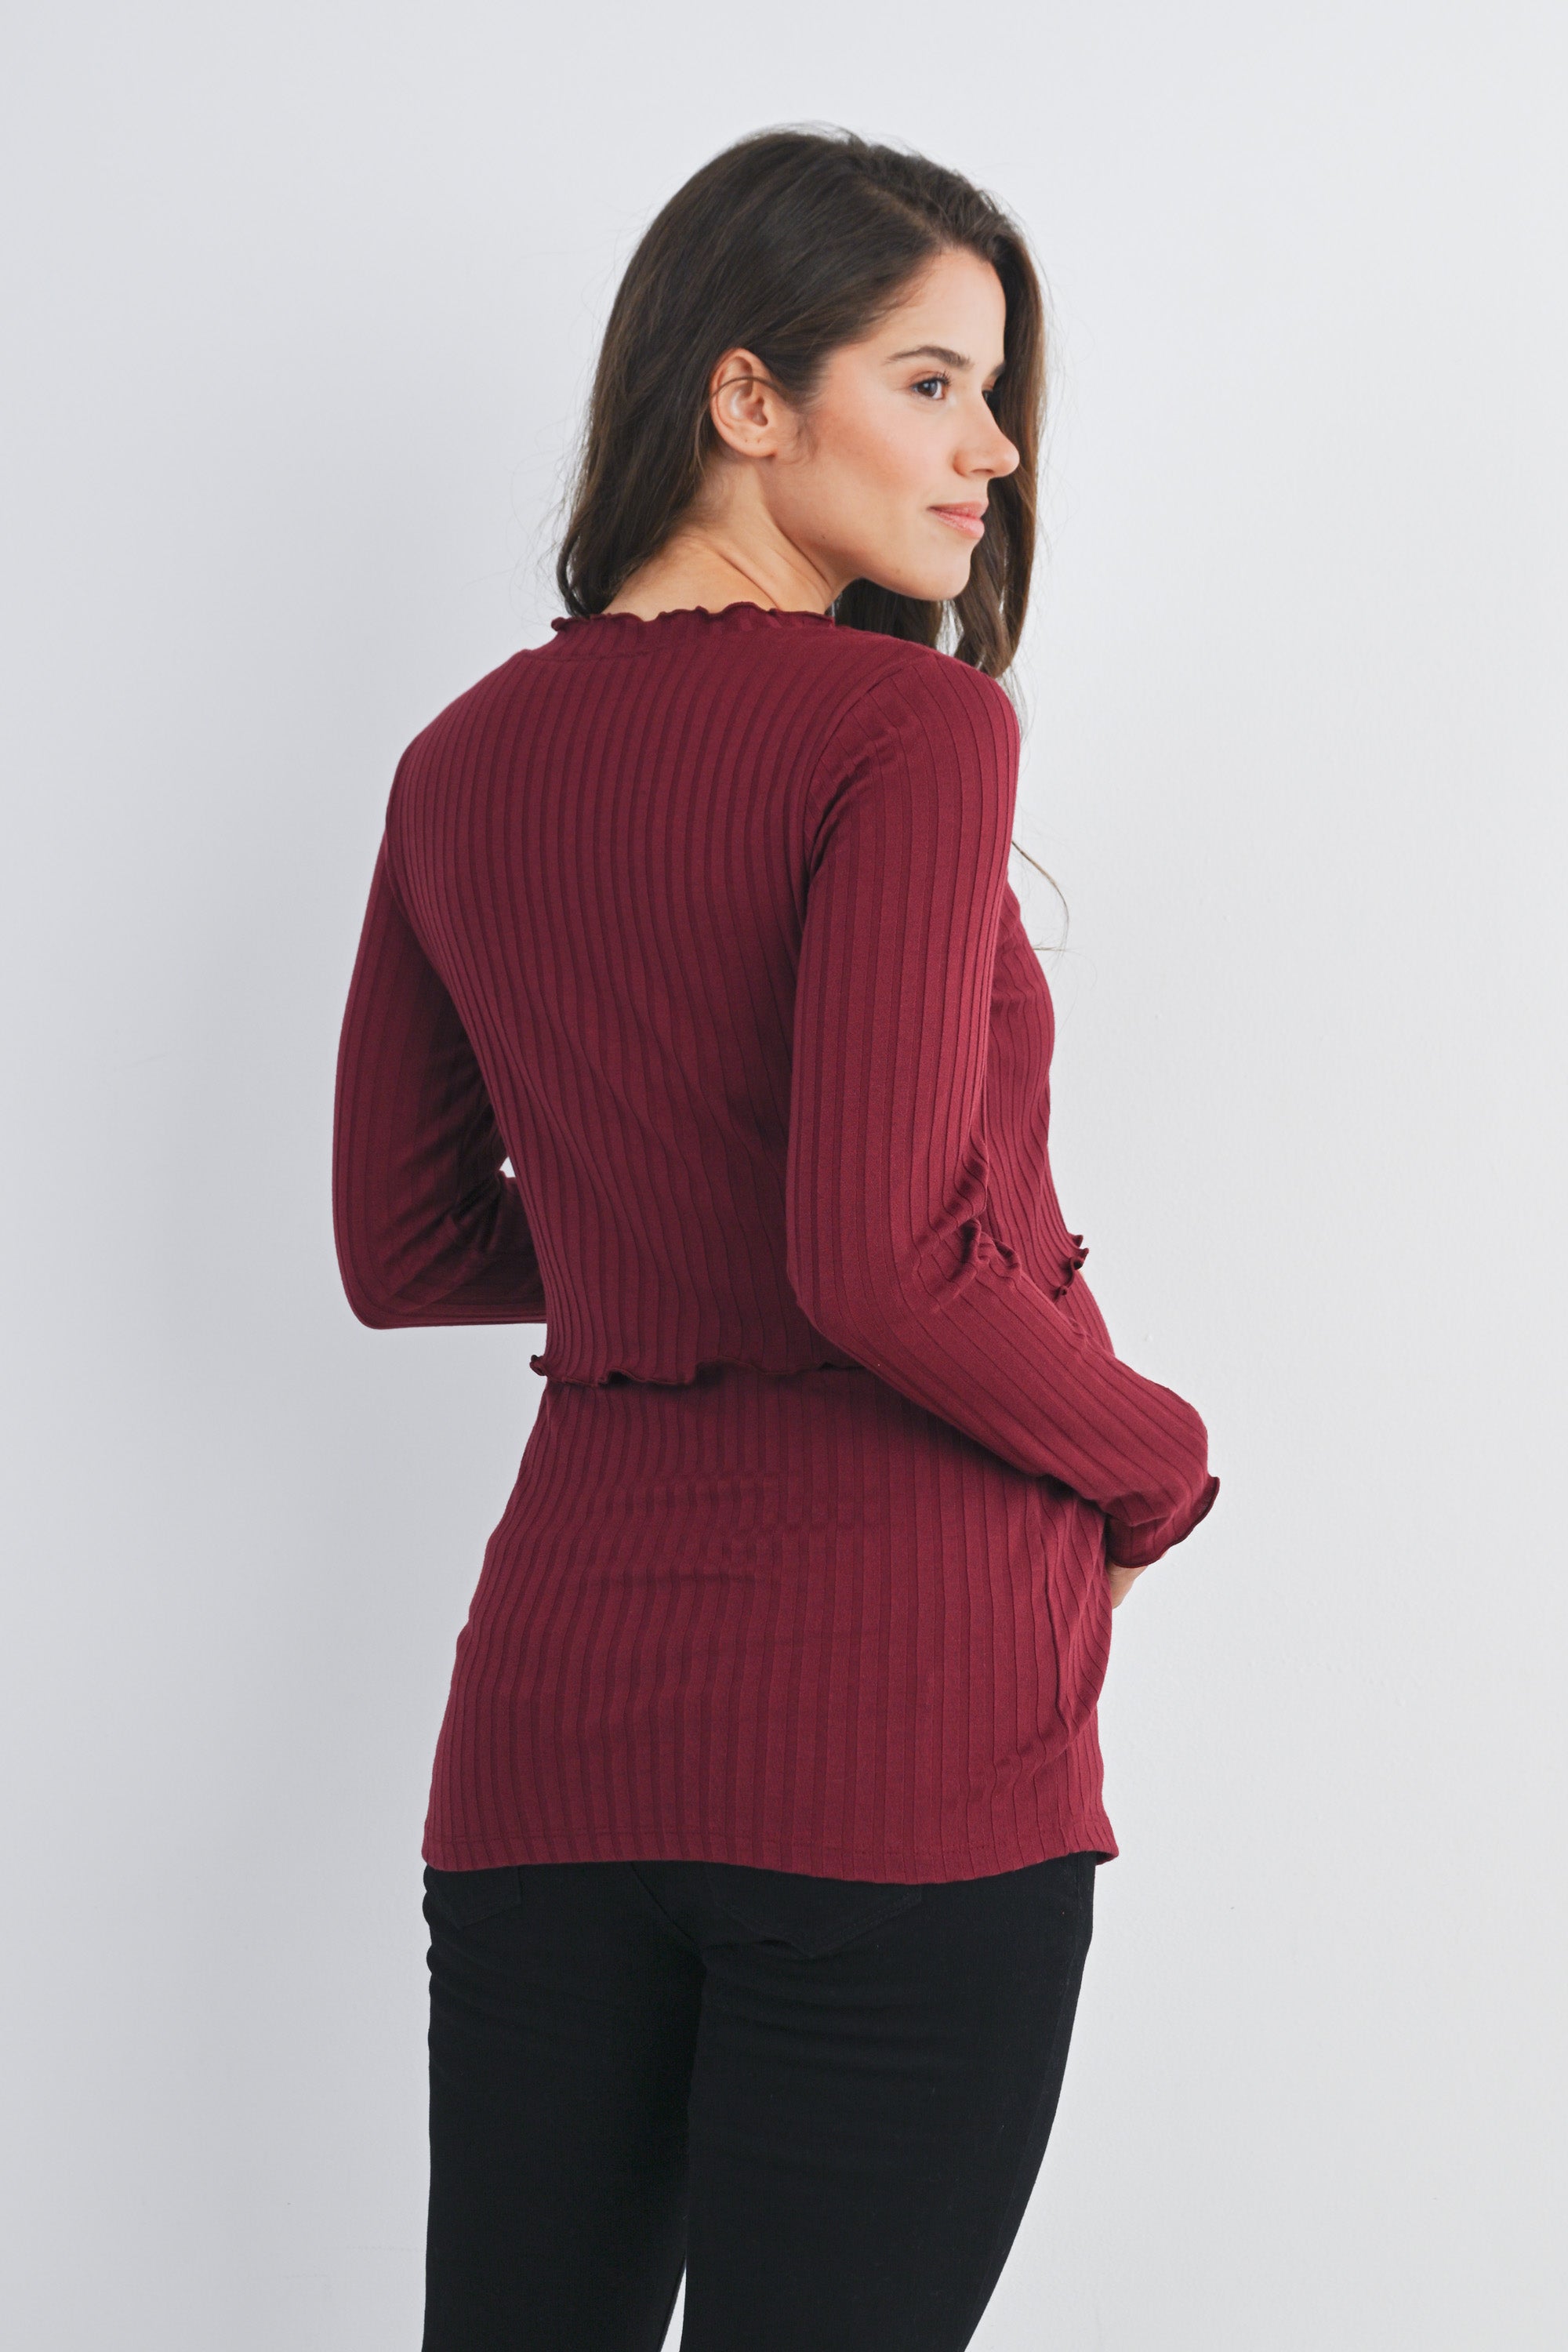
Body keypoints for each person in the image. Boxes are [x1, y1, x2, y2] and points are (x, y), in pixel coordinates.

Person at [332, 125, 1218, 2352]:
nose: (993, 450)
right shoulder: (905, 726)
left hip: (551, 1734)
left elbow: (405, 1243)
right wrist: (1152, 1454)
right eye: (931, 384)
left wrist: (664, 1241)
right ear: (745, 395)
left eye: (996, 395)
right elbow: (875, 1261)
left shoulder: (459, 761)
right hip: (899, 1727)